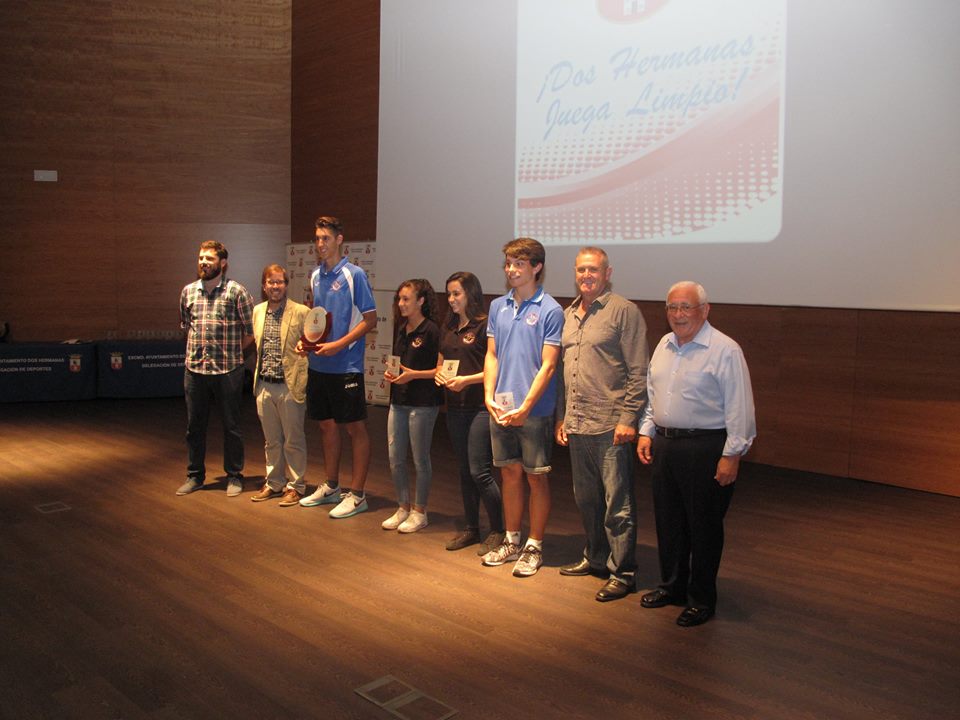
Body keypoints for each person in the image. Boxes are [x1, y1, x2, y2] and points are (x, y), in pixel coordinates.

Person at [637, 281, 756, 626]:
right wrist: (646, 430)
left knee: (703, 526)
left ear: (705, 310)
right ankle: (672, 587)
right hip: (665, 445)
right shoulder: (664, 345)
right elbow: (654, 395)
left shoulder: (725, 350)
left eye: (686, 307)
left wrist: (732, 454)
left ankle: (701, 599)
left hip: (705, 448)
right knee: (669, 522)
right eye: (672, 307)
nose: (678, 314)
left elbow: (740, 408)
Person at [555, 248, 648, 602]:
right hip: (577, 423)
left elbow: (638, 371)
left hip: (611, 425)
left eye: (593, 270)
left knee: (618, 505)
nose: (586, 275)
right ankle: (595, 558)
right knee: (586, 500)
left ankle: (623, 572)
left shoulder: (624, 311)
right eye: (581, 270)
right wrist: (562, 417)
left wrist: (629, 419)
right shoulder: (568, 315)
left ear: (607, 273)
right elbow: (563, 373)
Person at [481, 238, 563, 577]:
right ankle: (512, 540)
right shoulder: (497, 307)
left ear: (536, 267)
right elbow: (492, 355)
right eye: (508, 263)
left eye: (519, 263)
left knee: (536, 478)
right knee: (509, 474)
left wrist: (527, 406)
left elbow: (549, 365)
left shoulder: (551, 309)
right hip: (501, 408)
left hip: (535, 411)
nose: (511, 270)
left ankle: (534, 546)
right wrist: (488, 395)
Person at [297, 216, 378, 518]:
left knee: (355, 428)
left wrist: (340, 345)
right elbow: (318, 320)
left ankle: (357, 494)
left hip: (347, 365)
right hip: (319, 364)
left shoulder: (355, 275)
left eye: (326, 238)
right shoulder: (315, 276)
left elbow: (370, 320)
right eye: (317, 239)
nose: (320, 244)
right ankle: (332, 486)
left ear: (339, 240)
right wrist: (306, 343)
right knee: (326, 425)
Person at [176, 240, 255, 497]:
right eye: (201, 258)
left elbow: (250, 331)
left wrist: (233, 354)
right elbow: (186, 326)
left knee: (232, 426)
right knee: (194, 427)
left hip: (228, 371)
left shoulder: (237, 292)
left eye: (209, 259)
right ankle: (195, 476)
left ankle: (234, 476)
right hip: (195, 371)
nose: (204, 263)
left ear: (223, 263)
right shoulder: (188, 292)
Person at [436, 272, 505, 554]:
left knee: (480, 471)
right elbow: (441, 363)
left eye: (457, 293)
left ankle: (499, 530)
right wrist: (440, 375)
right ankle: (471, 528)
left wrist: (466, 380)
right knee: (465, 471)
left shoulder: (485, 325)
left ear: (471, 294)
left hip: (480, 407)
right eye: (449, 294)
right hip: (455, 408)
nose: (451, 299)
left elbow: (495, 368)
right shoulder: (449, 326)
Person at [381, 279, 443, 533]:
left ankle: (420, 511)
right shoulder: (401, 328)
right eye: (399, 299)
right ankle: (403, 507)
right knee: (395, 458)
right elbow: (399, 365)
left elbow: (441, 371)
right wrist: (392, 373)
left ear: (421, 301)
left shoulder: (432, 331)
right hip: (399, 400)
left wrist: (413, 375)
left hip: (423, 403)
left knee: (420, 459)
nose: (401, 303)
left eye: (406, 299)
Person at [249, 264, 310, 506]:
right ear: (264, 286)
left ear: (286, 285)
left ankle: (296, 486)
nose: (276, 286)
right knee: (271, 441)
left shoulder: (302, 312)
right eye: (271, 282)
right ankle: (274, 482)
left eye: (280, 282)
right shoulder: (257, 311)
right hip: (264, 386)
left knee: (293, 440)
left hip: (289, 386)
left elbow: (312, 346)